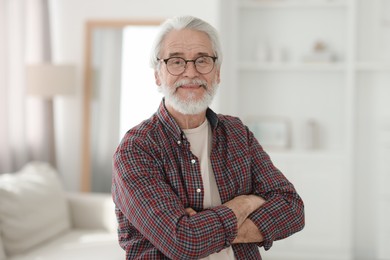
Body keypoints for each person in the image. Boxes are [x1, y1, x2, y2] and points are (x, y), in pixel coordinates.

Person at [112, 15, 304, 260]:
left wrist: (202, 229)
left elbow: (292, 208)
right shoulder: (136, 149)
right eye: (176, 61)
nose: (191, 72)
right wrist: (244, 204)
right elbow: (183, 242)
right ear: (158, 75)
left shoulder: (236, 132)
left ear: (217, 73)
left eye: (203, 60)